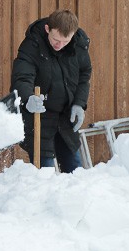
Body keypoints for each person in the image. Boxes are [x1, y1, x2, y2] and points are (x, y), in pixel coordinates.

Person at [10, 9, 92, 173]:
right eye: (55, 39)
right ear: (47, 29)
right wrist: (29, 98)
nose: (59, 45)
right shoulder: (32, 45)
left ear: (73, 35)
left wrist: (79, 104)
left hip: (65, 117)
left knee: (75, 172)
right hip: (39, 116)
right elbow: (22, 77)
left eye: (65, 41)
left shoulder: (78, 45)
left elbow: (84, 74)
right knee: (45, 174)